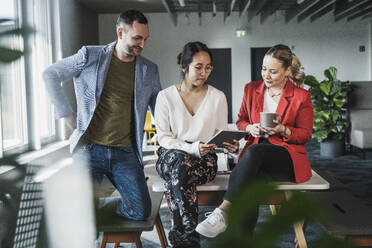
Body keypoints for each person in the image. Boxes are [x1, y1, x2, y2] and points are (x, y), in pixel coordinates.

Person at [42, 10, 161, 220]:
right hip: (89, 149)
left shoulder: (149, 69)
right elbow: (50, 74)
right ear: (120, 32)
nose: (142, 44)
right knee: (80, 217)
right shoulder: (90, 56)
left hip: (125, 152)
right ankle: (87, 209)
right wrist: (67, 115)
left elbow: (159, 109)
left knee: (140, 211)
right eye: (137, 38)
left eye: (145, 39)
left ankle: (97, 209)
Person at [195, 44, 314, 238]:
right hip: (257, 157)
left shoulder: (302, 97)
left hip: (286, 158)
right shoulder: (251, 89)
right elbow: (241, 120)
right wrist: (250, 128)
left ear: (286, 71)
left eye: (273, 71)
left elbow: (305, 135)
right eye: (264, 69)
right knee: (251, 184)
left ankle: (223, 210)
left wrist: (283, 129)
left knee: (253, 152)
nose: (266, 75)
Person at [154, 41, 238, 248]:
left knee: (181, 168)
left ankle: (182, 234)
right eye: (198, 67)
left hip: (204, 160)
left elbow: (219, 135)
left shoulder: (218, 97)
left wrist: (230, 145)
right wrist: (191, 148)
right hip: (170, 156)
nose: (204, 72)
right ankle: (188, 234)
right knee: (180, 160)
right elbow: (163, 137)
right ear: (184, 66)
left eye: (208, 67)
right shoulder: (165, 97)